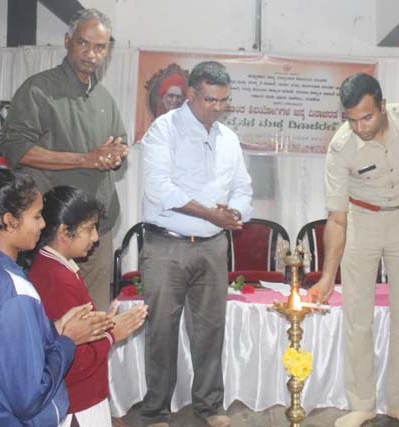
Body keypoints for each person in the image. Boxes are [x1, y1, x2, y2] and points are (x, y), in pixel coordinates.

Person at [308, 73, 399, 427]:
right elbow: (337, 219)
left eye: (366, 117)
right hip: (361, 220)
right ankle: (362, 403)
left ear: (382, 106)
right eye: (351, 119)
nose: (360, 127)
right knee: (357, 316)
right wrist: (327, 276)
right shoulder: (341, 147)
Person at [138, 61, 253, 427]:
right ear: (191, 94)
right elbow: (160, 188)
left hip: (213, 246)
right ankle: (156, 411)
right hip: (166, 246)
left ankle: (210, 406)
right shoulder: (164, 130)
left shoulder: (228, 138)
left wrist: (234, 212)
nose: (217, 108)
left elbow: (243, 187)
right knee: (161, 330)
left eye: (223, 100)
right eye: (210, 100)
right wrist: (210, 214)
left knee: (210, 330)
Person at [0, 8, 128, 311]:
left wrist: (116, 155)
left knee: (95, 318)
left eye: (100, 47)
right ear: (67, 40)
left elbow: (119, 147)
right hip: (51, 232)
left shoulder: (104, 98)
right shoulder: (38, 89)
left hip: (96, 232)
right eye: (83, 43)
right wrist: (85, 159)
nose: (91, 54)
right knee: (51, 319)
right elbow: (16, 148)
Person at [0, 168, 113, 426]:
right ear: (9, 221)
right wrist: (67, 341)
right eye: (37, 216)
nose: (42, 224)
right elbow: (28, 398)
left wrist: (52, 329)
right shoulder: (13, 292)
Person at [28, 185, 148, 427]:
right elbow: (73, 362)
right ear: (65, 232)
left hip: (84, 398)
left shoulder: (59, 267)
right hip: (77, 406)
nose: (95, 238)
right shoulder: (55, 280)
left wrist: (103, 325)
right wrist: (112, 335)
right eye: (89, 228)